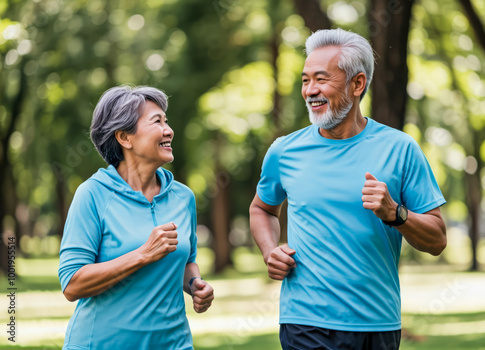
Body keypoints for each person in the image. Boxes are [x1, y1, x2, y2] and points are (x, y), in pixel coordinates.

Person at [250, 29, 446, 350]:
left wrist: (394, 213)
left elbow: (437, 240)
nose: (310, 90)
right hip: (305, 321)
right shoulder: (285, 150)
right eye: (304, 80)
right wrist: (269, 249)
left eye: (321, 79)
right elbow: (262, 208)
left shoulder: (400, 149)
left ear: (357, 84)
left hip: (377, 323)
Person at [58, 85, 214, 350]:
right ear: (124, 138)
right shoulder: (93, 194)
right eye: (157, 122)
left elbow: (186, 261)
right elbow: (72, 284)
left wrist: (195, 285)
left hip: (174, 344)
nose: (169, 130)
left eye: (166, 120)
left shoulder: (183, 197)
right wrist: (142, 254)